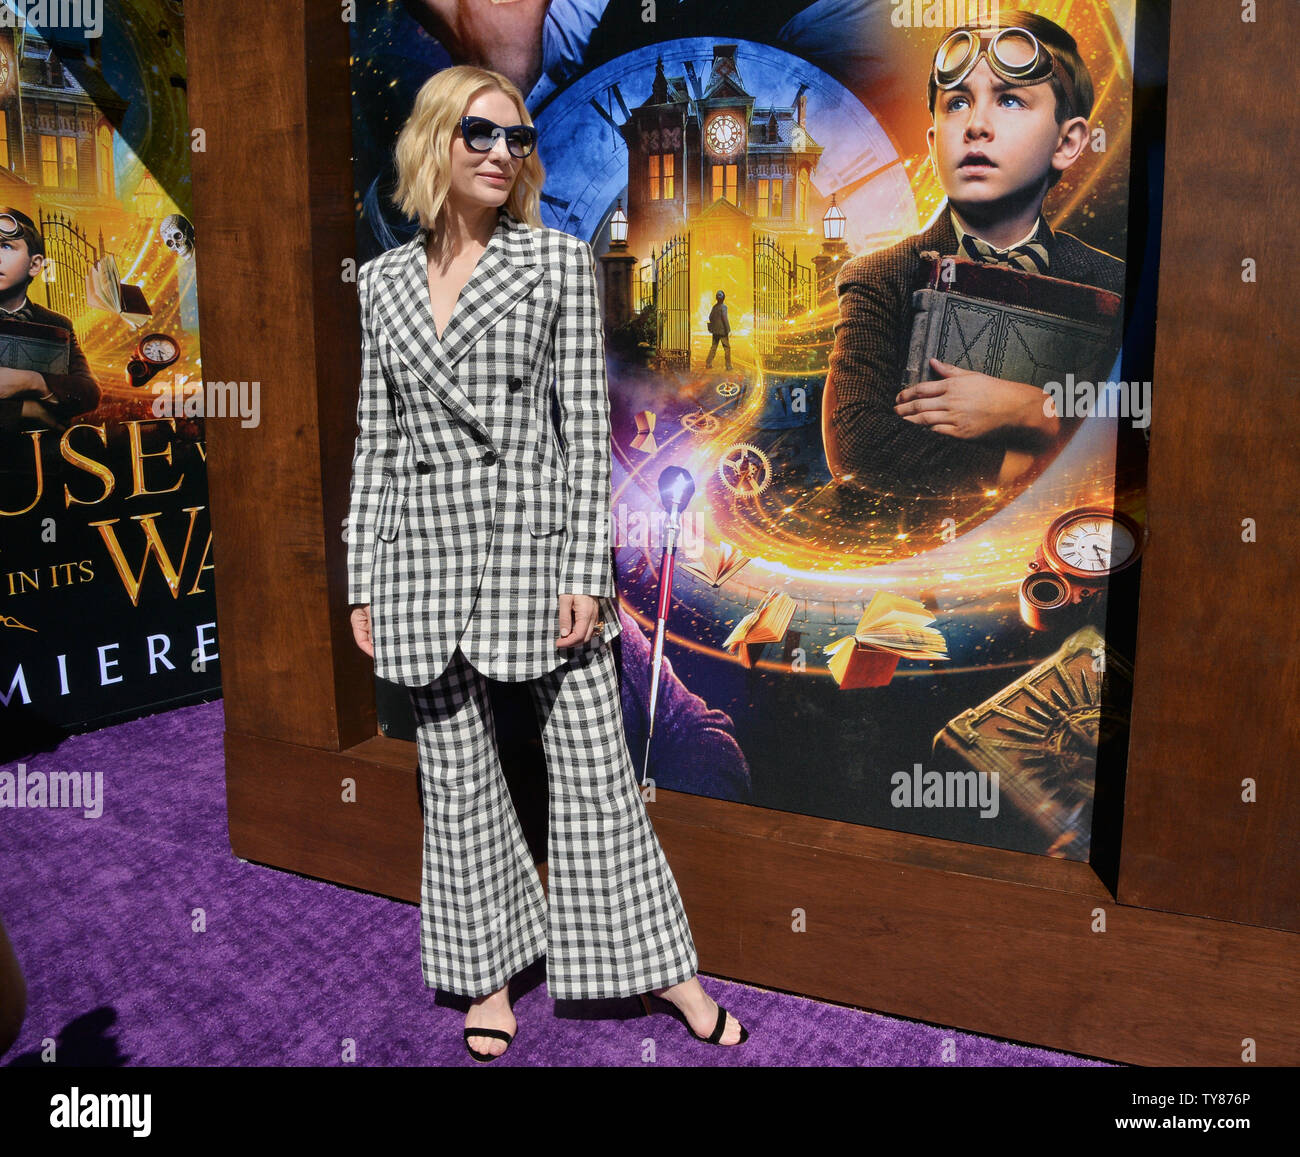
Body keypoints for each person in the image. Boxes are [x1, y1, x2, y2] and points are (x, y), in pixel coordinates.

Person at [345, 65, 749, 1060]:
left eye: (516, 140)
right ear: (432, 141)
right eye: (477, 133)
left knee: (596, 780)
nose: (499, 153)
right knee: (457, 781)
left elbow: (581, 437)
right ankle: (486, 976)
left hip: (544, 565)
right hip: (423, 566)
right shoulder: (387, 281)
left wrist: (581, 572)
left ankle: (665, 969)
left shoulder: (558, 267)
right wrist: (362, 572)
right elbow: (377, 438)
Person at [822, 11, 1125, 502]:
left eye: (1010, 100)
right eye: (957, 103)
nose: (976, 125)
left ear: (1067, 142)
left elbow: (1129, 435)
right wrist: (1024, 464)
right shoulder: (878, 277)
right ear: (933, 141)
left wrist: (1036, 411)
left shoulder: (1114, 283)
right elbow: (861, 447)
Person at [0, 207, 100, 433]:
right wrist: (28, 409)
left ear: (35, 265)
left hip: (47, 459)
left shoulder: (56, 323)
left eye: (6, 246)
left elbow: (89, 392)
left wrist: (31, 381)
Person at [704, 289, 732, 371]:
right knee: (727, 348)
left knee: (713, 347)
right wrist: (729, 330)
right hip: (723, 331)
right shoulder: (724, 307)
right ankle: (728, 366)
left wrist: (716, 324)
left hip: (715, 331)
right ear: (724, 298)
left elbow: (710, 317)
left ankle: (708, 363)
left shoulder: (714, 307)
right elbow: (725, 319)